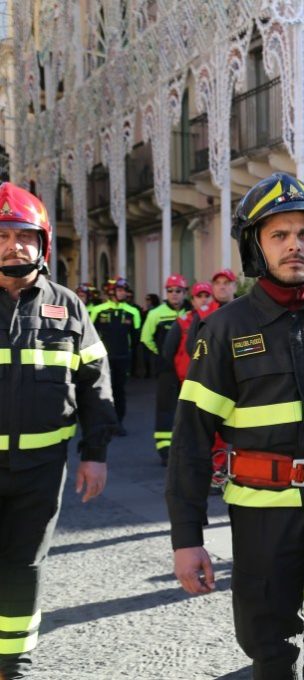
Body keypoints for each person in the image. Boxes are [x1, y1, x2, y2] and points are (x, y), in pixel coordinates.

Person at [166, 172, 304, 679]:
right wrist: (187, 538)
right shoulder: (223, 329)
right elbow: (191, 441)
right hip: (263, 519)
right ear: (256, 246)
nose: (295, 245)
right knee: (273, 653)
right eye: (279, 234)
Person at [0, 181, 117, 678]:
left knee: (23, 569)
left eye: (25, 235)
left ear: (42, 243)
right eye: (3, 235)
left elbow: (96, 383)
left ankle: (15, 663)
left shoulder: (68, 305)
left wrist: (95, 453)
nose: (14, 245)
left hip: (40, 469)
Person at [141, 274, 190, 465]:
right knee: (165, 410)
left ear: (185, 292)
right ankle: (165, 450)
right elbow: (146, 338)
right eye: (170, 291)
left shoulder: (191, 311)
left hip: (189, 370)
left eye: (178, 291)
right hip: (167, 371)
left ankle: (185, 447)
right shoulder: (156, 313)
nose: (174, 295)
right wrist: (162, 355)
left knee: (187, 409)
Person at [90, 277, 141, 435]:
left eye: (124, 290)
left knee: (119, 391)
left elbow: (136, 338)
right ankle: (103, 422)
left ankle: (118, 422)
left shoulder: (133, 312)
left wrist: (135, 362)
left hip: (123, 357)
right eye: (120, 290)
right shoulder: (98, 310)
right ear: (112, 292)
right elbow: (91, 335)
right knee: (103, 391)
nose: (123, 293)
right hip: (103, 358)